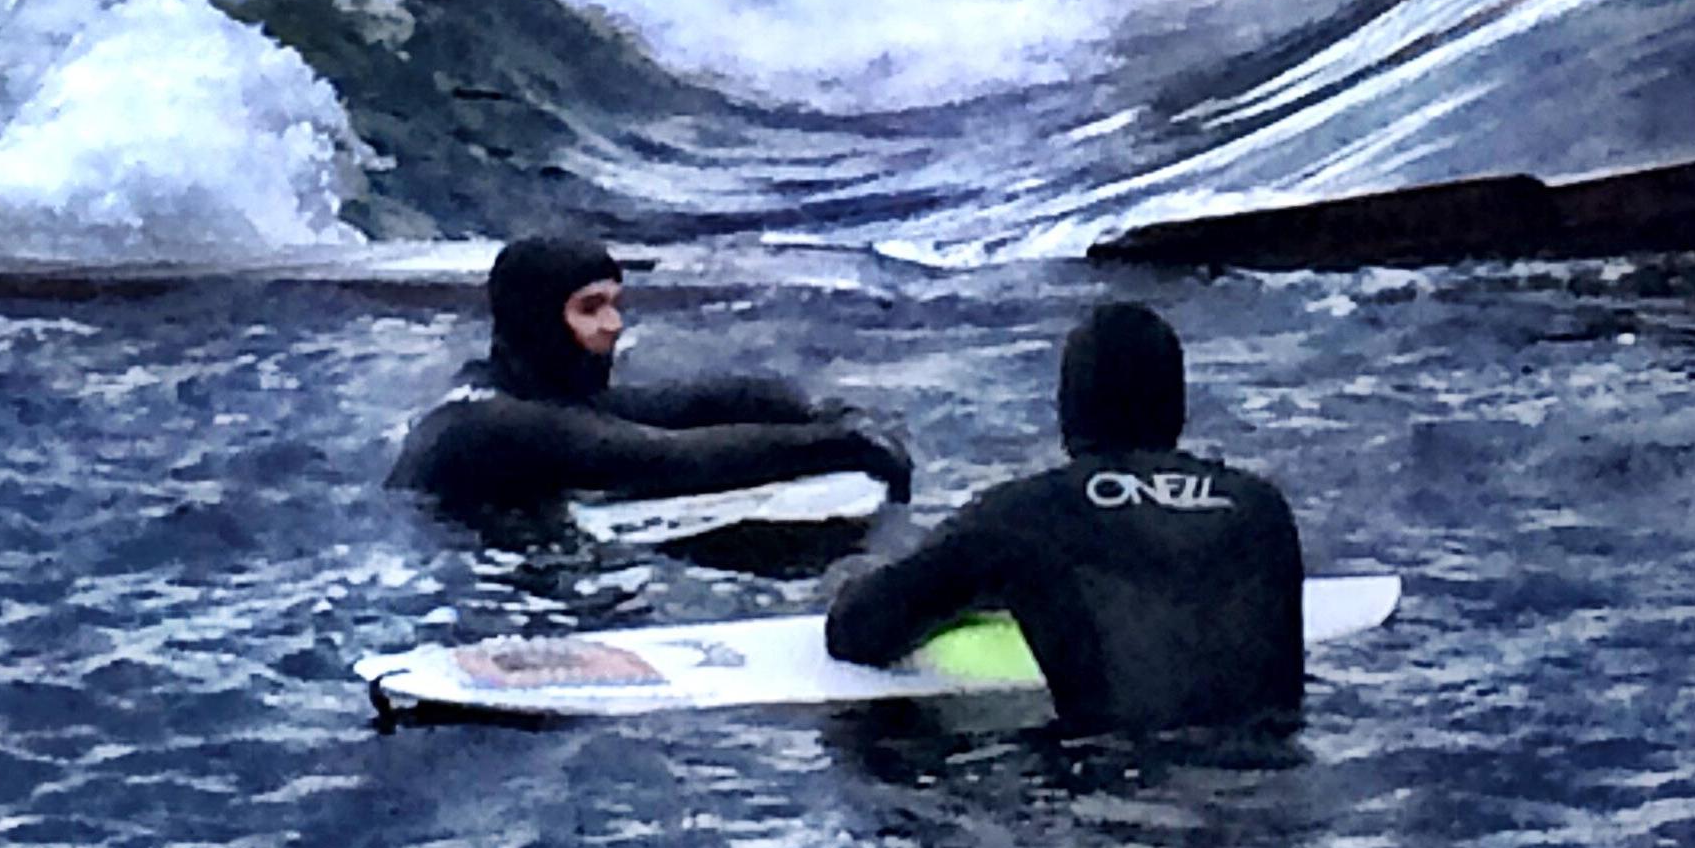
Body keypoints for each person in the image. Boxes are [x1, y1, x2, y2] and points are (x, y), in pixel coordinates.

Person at [825, 300, 1303, 732]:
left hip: (1121, 798)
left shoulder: (1025, 515)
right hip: (1274, 791)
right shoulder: (1260, 509)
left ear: (1069, 411)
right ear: (1177, 409)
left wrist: (852, 575)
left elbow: (858, 632)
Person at [389, 232, 912, 527]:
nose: (613, 326)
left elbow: (685, 403)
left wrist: (814, 410)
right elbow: (664, 458)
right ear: (537, 318)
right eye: (590, 309)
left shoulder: (531, 389)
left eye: (616, 306)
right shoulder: (493, 422)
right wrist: (843, 445)